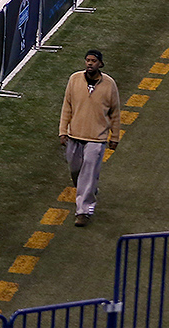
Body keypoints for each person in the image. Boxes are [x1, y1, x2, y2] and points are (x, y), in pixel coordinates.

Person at [58, 49, 120, 227]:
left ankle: (83, 211)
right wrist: (63, 131)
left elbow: (115, 112)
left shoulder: (109, 84)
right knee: (75, 169)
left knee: (88, 173)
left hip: (97, 138)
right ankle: (90, 189)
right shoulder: (74, 79)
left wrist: (114, 136)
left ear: (100, 64)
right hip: (74, 134)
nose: (90, 63)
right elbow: (66, 107)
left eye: (93, 60)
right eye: (87, 60)